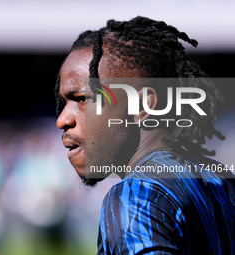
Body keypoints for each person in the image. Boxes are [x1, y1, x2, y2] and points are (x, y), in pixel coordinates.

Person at [55, 16, 235, 254]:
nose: (62, 120)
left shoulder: (138, 196)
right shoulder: (222, 182)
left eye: (82, 99)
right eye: (63, 102)